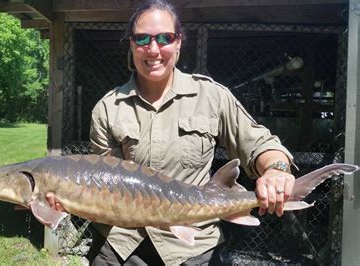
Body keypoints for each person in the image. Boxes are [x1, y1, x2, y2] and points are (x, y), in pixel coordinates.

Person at [84, 0, 296, 265]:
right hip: (123, 244)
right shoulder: (107, 108)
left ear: (179, 42)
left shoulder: (211, 96)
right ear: (131, 44)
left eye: (165, 38)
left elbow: (260, 144)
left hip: (192, 246)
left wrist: (276, 170)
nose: (153, 49)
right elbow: (107, 183)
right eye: (142, 39)